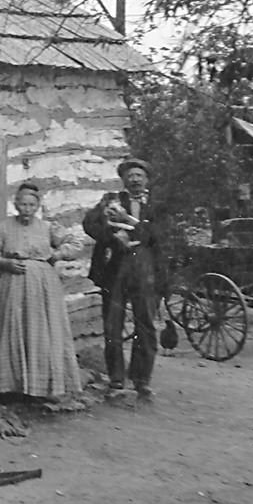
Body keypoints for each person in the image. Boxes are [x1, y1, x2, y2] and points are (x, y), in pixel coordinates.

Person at [0, 183, 85, 409]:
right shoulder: (2, 227)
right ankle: (8, 387)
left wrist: (57, 254)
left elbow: (76, 243)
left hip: (43, 287)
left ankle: (43, 388)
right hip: (12, 286)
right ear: (15, 205)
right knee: (11, 330)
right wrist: (5, 262)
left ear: (38, 206)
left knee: (41, 332)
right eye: (22, 204)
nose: (27, 209)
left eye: (31, 205)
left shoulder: (48, 228)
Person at [84, 158, 166, 400]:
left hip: (145, 268)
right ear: (124, 180)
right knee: (113, 323)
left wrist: (134, 225)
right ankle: (117, 379)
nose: (135, 179)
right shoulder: (111, 200)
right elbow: (89, 224)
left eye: (139, 175)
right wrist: (111, 237)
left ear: (147, 180)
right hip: (115, 267)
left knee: (146, 324)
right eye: (130, 175)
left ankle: (142, 380)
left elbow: (157, 236)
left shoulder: (157, 206)